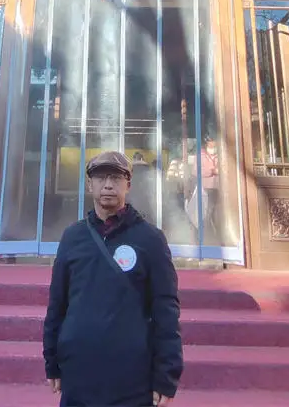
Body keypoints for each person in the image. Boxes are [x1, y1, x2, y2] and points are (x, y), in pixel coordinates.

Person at [43, 150, 183, 407]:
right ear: (90, 184)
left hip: (132, 376)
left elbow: (165, 309)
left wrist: (167, 373)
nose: (108, 185)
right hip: (79, 371)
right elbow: (57, 304)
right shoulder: (72, 237)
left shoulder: (150, 239)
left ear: (128, 185)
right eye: (100, 178)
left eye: (116, 178)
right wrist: (51, 360)